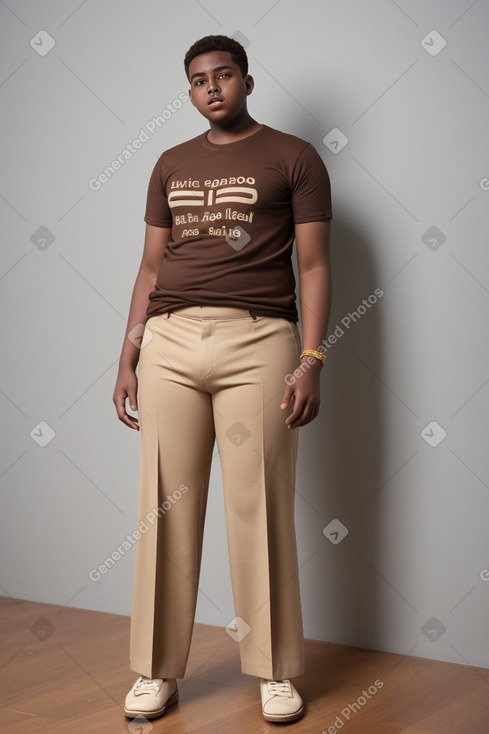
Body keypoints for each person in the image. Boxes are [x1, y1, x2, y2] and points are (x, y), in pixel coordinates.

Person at [112, 34, 333, 724]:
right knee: (164, 507)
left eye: (224, 75)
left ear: (246, 82)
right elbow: (151, 269)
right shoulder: (169, 163)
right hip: (171, 339)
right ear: (189, 92)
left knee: (257, 505)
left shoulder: (292, 156)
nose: (212, 88)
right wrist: (128, 354)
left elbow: (315, 267)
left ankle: (272, 671)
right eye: (199, 80)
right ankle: (155, 671)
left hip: (258, 338)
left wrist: (311, 358)